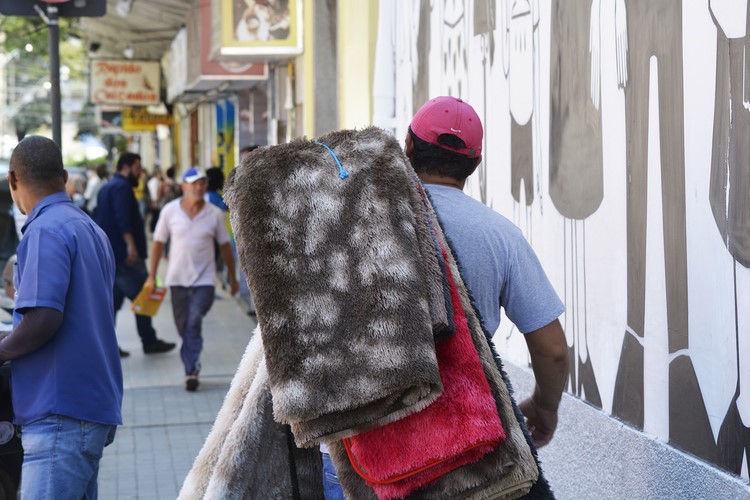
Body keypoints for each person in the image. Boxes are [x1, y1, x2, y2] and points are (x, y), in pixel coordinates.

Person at [321, 97, 570, 496]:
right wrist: (544, 406)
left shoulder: (356, 222)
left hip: (363, 442)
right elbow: (552, 349)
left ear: (408, 146)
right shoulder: (500, 235)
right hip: (467, 444)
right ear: (474, 164)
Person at [0, 136, 122, 498]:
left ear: (13, 180)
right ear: (64, 176)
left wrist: (4, 351)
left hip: (59, 413)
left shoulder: (44, 230)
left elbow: (43, 318)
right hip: (88, 405)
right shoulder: (87, 227)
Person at [146, 167, 239, 391]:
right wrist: (151, 276)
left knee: (194, 320)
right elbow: (158, 243)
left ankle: (191, 370)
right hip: (177, 280)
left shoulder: (214, 214)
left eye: (202, 183)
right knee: (184, 326)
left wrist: (233, 278)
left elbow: (225, 247)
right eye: (194, 183)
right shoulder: (169, 211)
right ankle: (190, 357)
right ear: (184, 186)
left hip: (205, 281)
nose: (199, 187)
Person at [95, 152, 176, 358]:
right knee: (145, 296)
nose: (140, 174)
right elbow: (123, 220)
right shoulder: (122, 188)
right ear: (126, 167)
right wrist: (131, 246)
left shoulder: (105, 188)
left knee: (112, 302)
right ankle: (149, 341)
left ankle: (107, 345)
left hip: (112, 255)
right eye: (138, 168)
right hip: (127, 256)